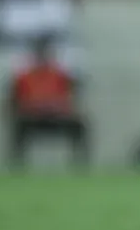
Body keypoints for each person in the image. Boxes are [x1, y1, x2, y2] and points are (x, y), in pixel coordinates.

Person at [7, 36, 89, 170]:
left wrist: (57, 107)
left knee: (79, 125)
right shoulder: (24, 77)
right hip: (33, 118)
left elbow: (69, 97)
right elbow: (17, 100)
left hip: (55, 116)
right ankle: (17, 165)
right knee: (19, 126)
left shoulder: (60, 75)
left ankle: (80, 164)